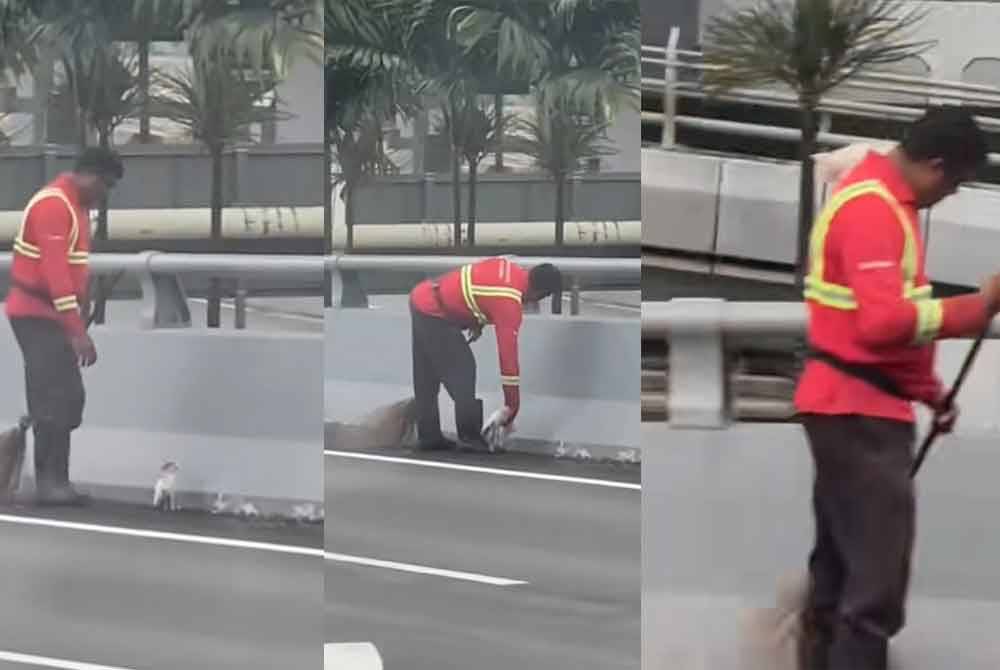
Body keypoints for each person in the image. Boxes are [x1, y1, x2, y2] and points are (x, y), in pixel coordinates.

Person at [795, 106, 1000, 670]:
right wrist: (976, 308)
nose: (950, 194)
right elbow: (882, 324)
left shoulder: (879, 199)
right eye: (954, 183)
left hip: (855, 403)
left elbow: (886, 333)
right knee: (874, 590)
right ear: (936, 166)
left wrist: (931, 393)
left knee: (838, 571)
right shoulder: (874, 211)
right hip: (857, 414)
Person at [6, 146, 124, 506]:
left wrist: (81, 305)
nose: (107, 193)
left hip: (53, 315)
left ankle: (57, 478)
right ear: (88, 175)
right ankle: (49, 482)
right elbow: (56, 277)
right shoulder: (54, 206)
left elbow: (73, 269)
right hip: (35, 315)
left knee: (68, 397)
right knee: (52, 398)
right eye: (106, 184)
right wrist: (78, 332)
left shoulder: (78, 207)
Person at [408, 257, 562, 451]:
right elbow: (508, 362)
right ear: (539, 294)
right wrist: (512, 407)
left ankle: (429, 436)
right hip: (434, 312)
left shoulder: (509, 267)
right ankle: (470, 437)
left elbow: (475, 285)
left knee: (427, 376)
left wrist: (475, 321)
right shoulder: (509, 303)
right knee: (464, 370)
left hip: (423, 297)